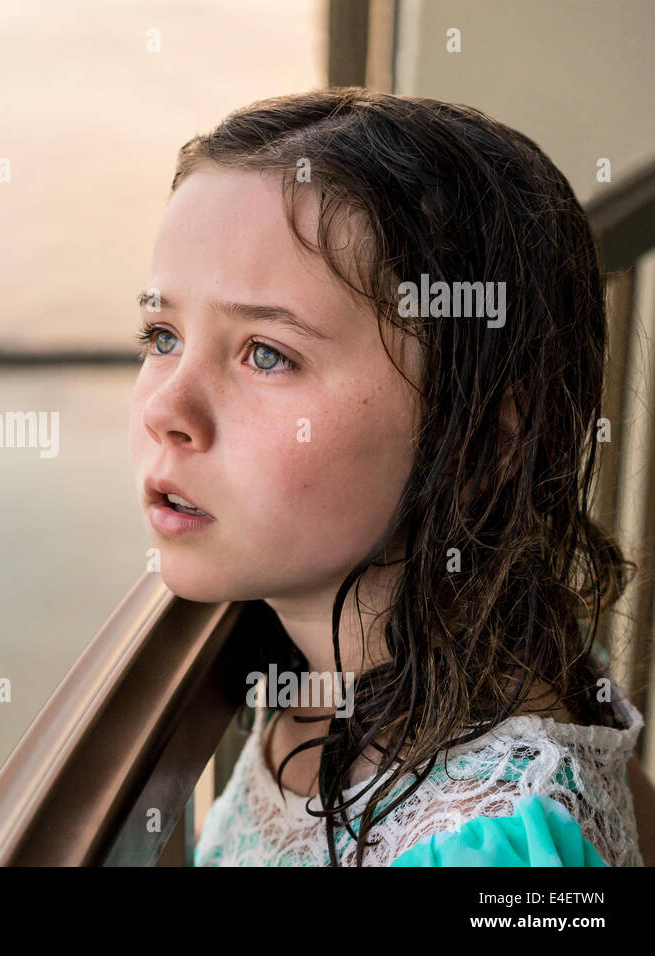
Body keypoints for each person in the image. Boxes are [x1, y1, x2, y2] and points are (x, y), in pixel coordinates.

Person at [127, 87, 646, 866]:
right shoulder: (477, 643)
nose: (167, 408)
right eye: (162, 333)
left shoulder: (488, 848)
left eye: (267, 353)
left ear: (476, 444)